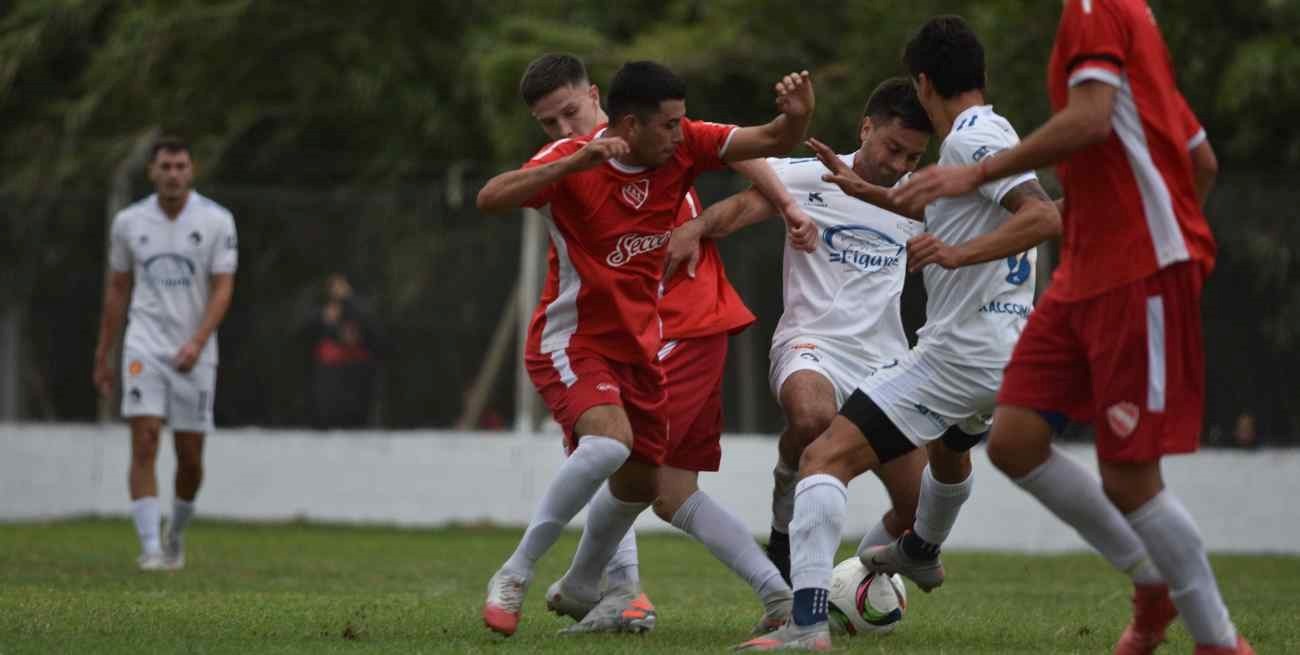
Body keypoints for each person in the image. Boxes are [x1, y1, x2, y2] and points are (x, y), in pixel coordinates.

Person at [892, 2, 1252, 654]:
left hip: (1131, 273)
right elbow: (1200, 162)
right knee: (1015, 438)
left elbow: (1089, 121)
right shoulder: (1120, 25)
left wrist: (977, 174)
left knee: (1130, 479)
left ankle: (1218, 640)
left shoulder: (1097, 8)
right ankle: (1151, 584)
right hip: (1081, 274)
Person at [737, 16, 1061, 651]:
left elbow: (1042, 215)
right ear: (984, 77)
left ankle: (805, 627)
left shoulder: (968, 140)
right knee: (952, 449)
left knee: (824, 456)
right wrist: (863, 190)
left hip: (953, 353)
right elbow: (980, 205)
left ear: (924, 81)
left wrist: (957, 256)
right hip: (1006, 350)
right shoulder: (996, 134)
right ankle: (919, 549)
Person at [475, 60, 816, 637]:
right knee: (618, 456)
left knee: (641, 481)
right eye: (547, 121)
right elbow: (491, 196)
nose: (561, 127)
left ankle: (601, 586)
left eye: (569, 112)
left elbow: (754, 142)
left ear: (600, 98)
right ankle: (524, 574)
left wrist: (795, 132)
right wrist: (576, 157)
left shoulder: (674, 142)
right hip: (584, 340)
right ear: (633, 125)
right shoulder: (574, 160)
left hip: (659, 338)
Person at [664, 77, 936, 585]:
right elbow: (743, 206)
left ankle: (852, 581)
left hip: (886, 362)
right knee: (813, 418)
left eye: (913, 158)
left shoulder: (918, 202)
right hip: (812, 344)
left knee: (921, 512)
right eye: (894, 148)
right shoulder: (811, 176)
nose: (900, 166)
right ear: (866, 127)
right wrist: (694, 227)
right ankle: (787, 506)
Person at [93, 136, 238, 571]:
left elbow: (223, 287)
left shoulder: (216, 220)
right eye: (165, 167)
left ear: (191, 170)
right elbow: (118, 288)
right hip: (145, 344)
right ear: (152, 172)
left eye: (180, 166)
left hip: (196, 350)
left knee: (190, 458)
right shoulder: (129, 222)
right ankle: (150, 547)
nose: (173, 174)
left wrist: (198, 341)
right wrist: (104, 353)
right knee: (145, 439)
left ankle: (176, 532)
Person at [299, 273, 384, 429]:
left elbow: (373, 329)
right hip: (329, 376)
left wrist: (349, 300)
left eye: (341, 286)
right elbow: (304, 330)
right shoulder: (321, 309)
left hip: (357, 374)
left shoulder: (359, 307)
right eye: (334, 286)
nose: (337, 290)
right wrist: (323, 318)